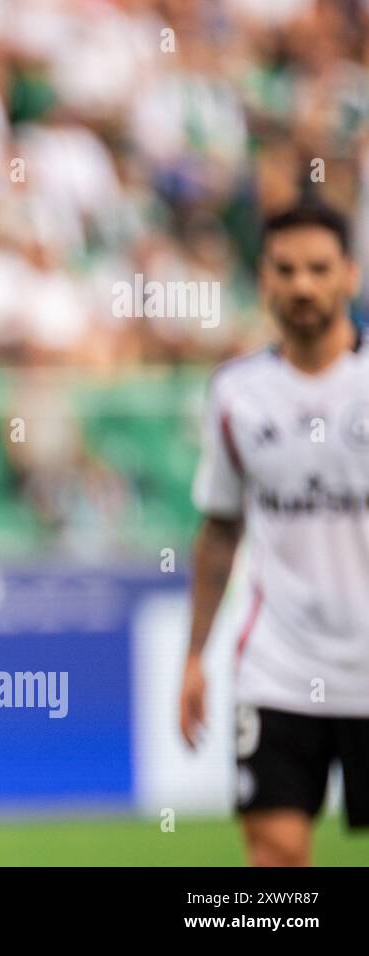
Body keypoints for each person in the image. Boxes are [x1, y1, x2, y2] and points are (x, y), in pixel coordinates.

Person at [181, 203, 369, 865]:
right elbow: (220, 532)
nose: (302, 286)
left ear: (350, 274)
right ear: (264, 278)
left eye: (318, 269)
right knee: (276, 861)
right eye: (285, 270)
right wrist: (195, 655)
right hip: (278, 671)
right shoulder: (237, 394)